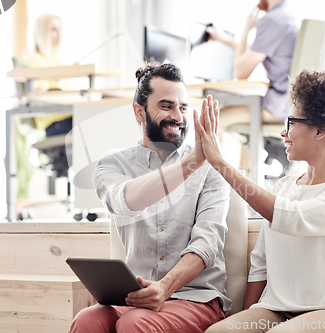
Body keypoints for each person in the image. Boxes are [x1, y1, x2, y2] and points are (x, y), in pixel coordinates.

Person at [195, 69, 325, 333]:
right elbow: (261, 263)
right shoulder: (284, 186)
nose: (283, 132)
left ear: (320, 130)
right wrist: (247, 320)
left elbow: (295, 218)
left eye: (291, 122)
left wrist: (221, 163)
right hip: (276, 308)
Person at [69, 63, 231, 333]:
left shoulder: (210, 166)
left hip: (196, 297)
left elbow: (207, 243)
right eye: (166, 106)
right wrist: (191, 162)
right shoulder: (112, 164)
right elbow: (123, 201)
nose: (178, 116)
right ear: (139, 111)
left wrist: (165, 288)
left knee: (135, 322)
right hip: (137, 297)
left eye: (182, 107)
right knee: (87, 319)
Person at [208, 0, 300, 171]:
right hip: (292, 106)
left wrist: (247, 29)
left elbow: (240, 72)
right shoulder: (289, 18)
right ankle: (244, 187)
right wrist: (224, 40)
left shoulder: (272, 20)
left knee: (213, 119)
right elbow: (255, 51)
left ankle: (219, 186)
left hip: (278, 108)